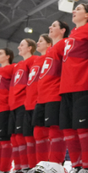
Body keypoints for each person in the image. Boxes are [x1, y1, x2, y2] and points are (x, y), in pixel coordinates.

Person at [60, 3, 88, 173]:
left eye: (78, 8)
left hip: (83, 83)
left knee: (84, 128)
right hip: (66, 86)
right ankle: (76, 165)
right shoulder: (73, 34)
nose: (74, 11)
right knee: (69, 129)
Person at [37, 21, 71, 164]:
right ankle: (41, 165)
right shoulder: (50, 50)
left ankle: (55, 165)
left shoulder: (64, 44)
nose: (50, 27)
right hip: (42, 96)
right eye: (50, 25)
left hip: (54, 93)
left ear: (63, 30)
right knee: (39, 133)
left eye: (54, 26)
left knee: (55, 131)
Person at [9, 39, 37, 171]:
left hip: (23, 103)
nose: (19, 47)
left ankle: (27, 167)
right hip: (13, 104)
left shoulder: (33, 60)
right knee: (15, 138)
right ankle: (18, 167)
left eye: (22, 45)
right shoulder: (18, 65)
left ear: (30, 48)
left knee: (23, 137)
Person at [25, 35, 52, 166]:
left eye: (41, 41)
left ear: (49, 44)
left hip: (42, 99)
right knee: (34, 136)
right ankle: (34, 166)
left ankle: (47, 164)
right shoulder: (37, 60)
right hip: (31, 102)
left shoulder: (46, 58)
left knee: (44, 133)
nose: (38, 43)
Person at [0, 48, 15, 173]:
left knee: (5, 141)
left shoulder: (12, 68)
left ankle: (5, 169)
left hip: (4, 107)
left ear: (8, 56)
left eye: (0, 53)